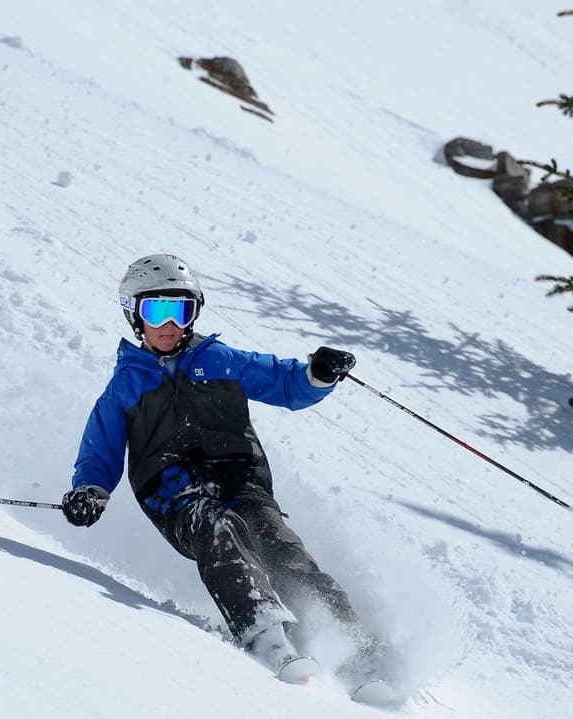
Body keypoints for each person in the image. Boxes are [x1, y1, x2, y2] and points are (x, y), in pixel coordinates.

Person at [62, 253, 368, 683]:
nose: (170, 324)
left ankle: (356, 653)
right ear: (134, 313)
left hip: (240, 479)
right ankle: (265, 634)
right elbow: (100, 449)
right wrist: (89, 490)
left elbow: (284, 382)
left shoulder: (219, 359)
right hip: (172, 492)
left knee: (279, 545)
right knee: (216, 526)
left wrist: (318, 374)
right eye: (158, 310)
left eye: (181, 310)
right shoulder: (125, 386)